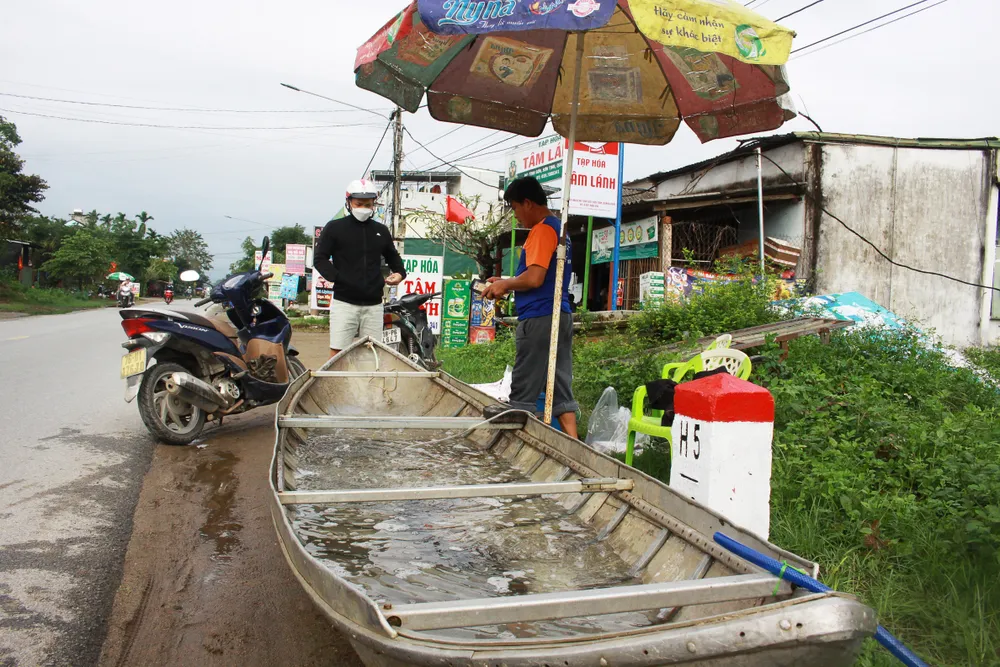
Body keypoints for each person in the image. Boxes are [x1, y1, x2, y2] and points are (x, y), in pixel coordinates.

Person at [482, 177, 579, 438]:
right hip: (561, 314)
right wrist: (505, 281)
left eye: (514, 208)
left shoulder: (541, 230)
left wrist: (505, 286)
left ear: (527, 203)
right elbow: (543, 276)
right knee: (559, 388)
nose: (515, 216)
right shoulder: (560, 230)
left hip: (539, 318)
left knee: (523, 391)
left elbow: (535, 278)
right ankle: (576, 446)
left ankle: (512, 445)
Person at [314, 179, 406, 358]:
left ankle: (367, 387)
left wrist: (400, 273)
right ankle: (337, 386)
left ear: (374, 204)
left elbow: (393, 257)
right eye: (358, 204)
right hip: (344, 303)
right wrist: (338, 278)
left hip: (374, 304)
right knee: (337, 353)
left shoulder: (380, 230)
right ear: (348, 202)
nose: (363, 208)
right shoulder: (335, 228)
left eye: (368, 204)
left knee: (372, 353)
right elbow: (320, 258)